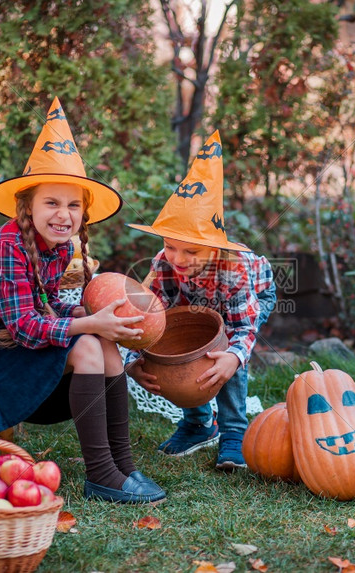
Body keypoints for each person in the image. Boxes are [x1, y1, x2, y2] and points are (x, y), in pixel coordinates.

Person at [0, 97, 165, 503]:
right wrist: (86, 324)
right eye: (51, 202)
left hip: (20, 342)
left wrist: (89, 316)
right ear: (27, 205)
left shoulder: (62, 247)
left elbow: (48, 307)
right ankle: (101, 473)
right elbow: (26, 327)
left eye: (73, 205)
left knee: (101, 342)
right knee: (87, 343)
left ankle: (122, 464)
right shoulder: (4, 247)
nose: (63, 215)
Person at [125, 131, 276, 471]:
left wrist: (234, 359)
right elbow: (150, 322)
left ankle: (234, 431)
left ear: (214, 248)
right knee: (177, 345)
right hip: (193, 301)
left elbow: (244, 329)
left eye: (191, 250)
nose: (178, 256)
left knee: (223, 353)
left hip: (253, 296)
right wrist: (134, 361)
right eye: (171, 244)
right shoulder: (164, 264)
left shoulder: (233, 270)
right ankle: (198, 424)